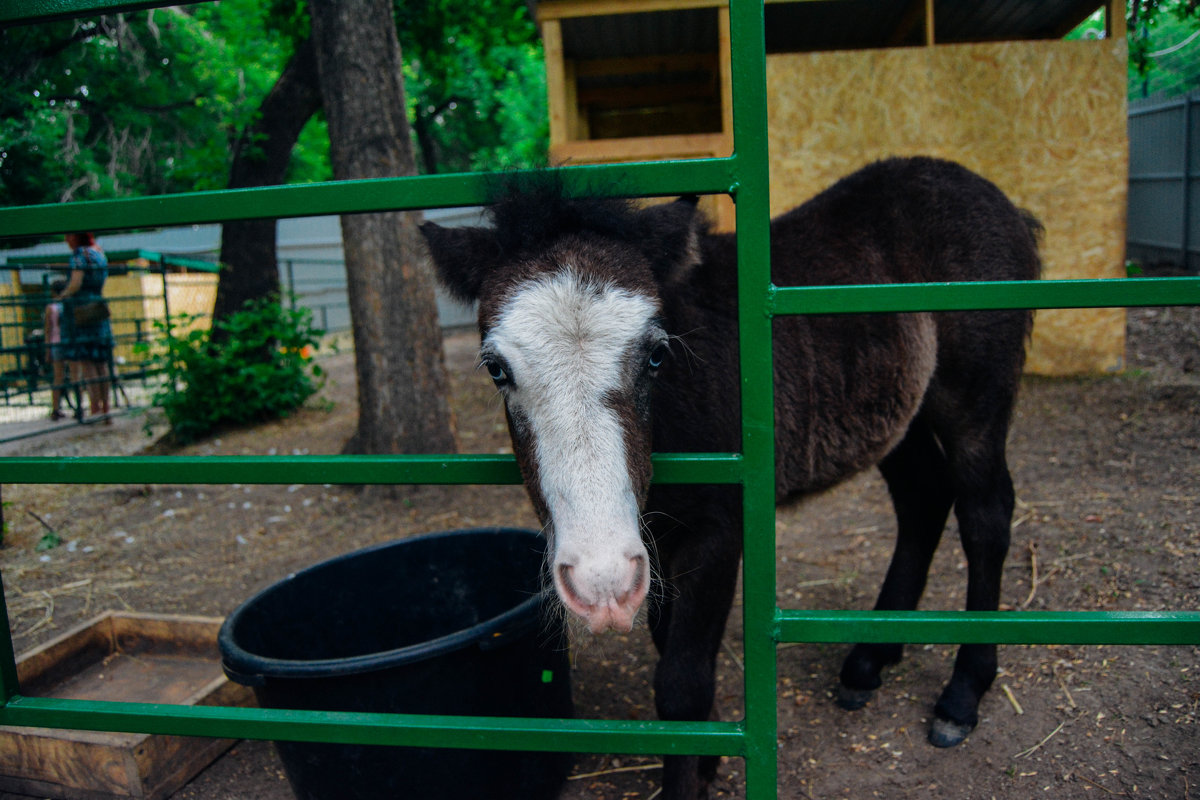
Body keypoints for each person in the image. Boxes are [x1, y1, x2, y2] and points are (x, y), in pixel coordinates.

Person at [56, 232, 113, 422]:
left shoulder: (79, 255)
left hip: (82, 311)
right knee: (102, 363)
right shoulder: (99, 253)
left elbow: (75, 284)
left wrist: (62, 296)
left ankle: (95, 408)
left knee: (88, 363)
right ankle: (107, 408)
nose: (66, 240)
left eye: (69, 236)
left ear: (76, 237)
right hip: (98, 307)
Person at [43, 280, 67, 420]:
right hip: (69, 342)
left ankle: (56, 408)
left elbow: (48, 330)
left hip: (56, 343)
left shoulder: (51, 307)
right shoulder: (68, 305)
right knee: (76, 374)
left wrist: (47, 350)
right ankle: (80, 407)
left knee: (58, 377)